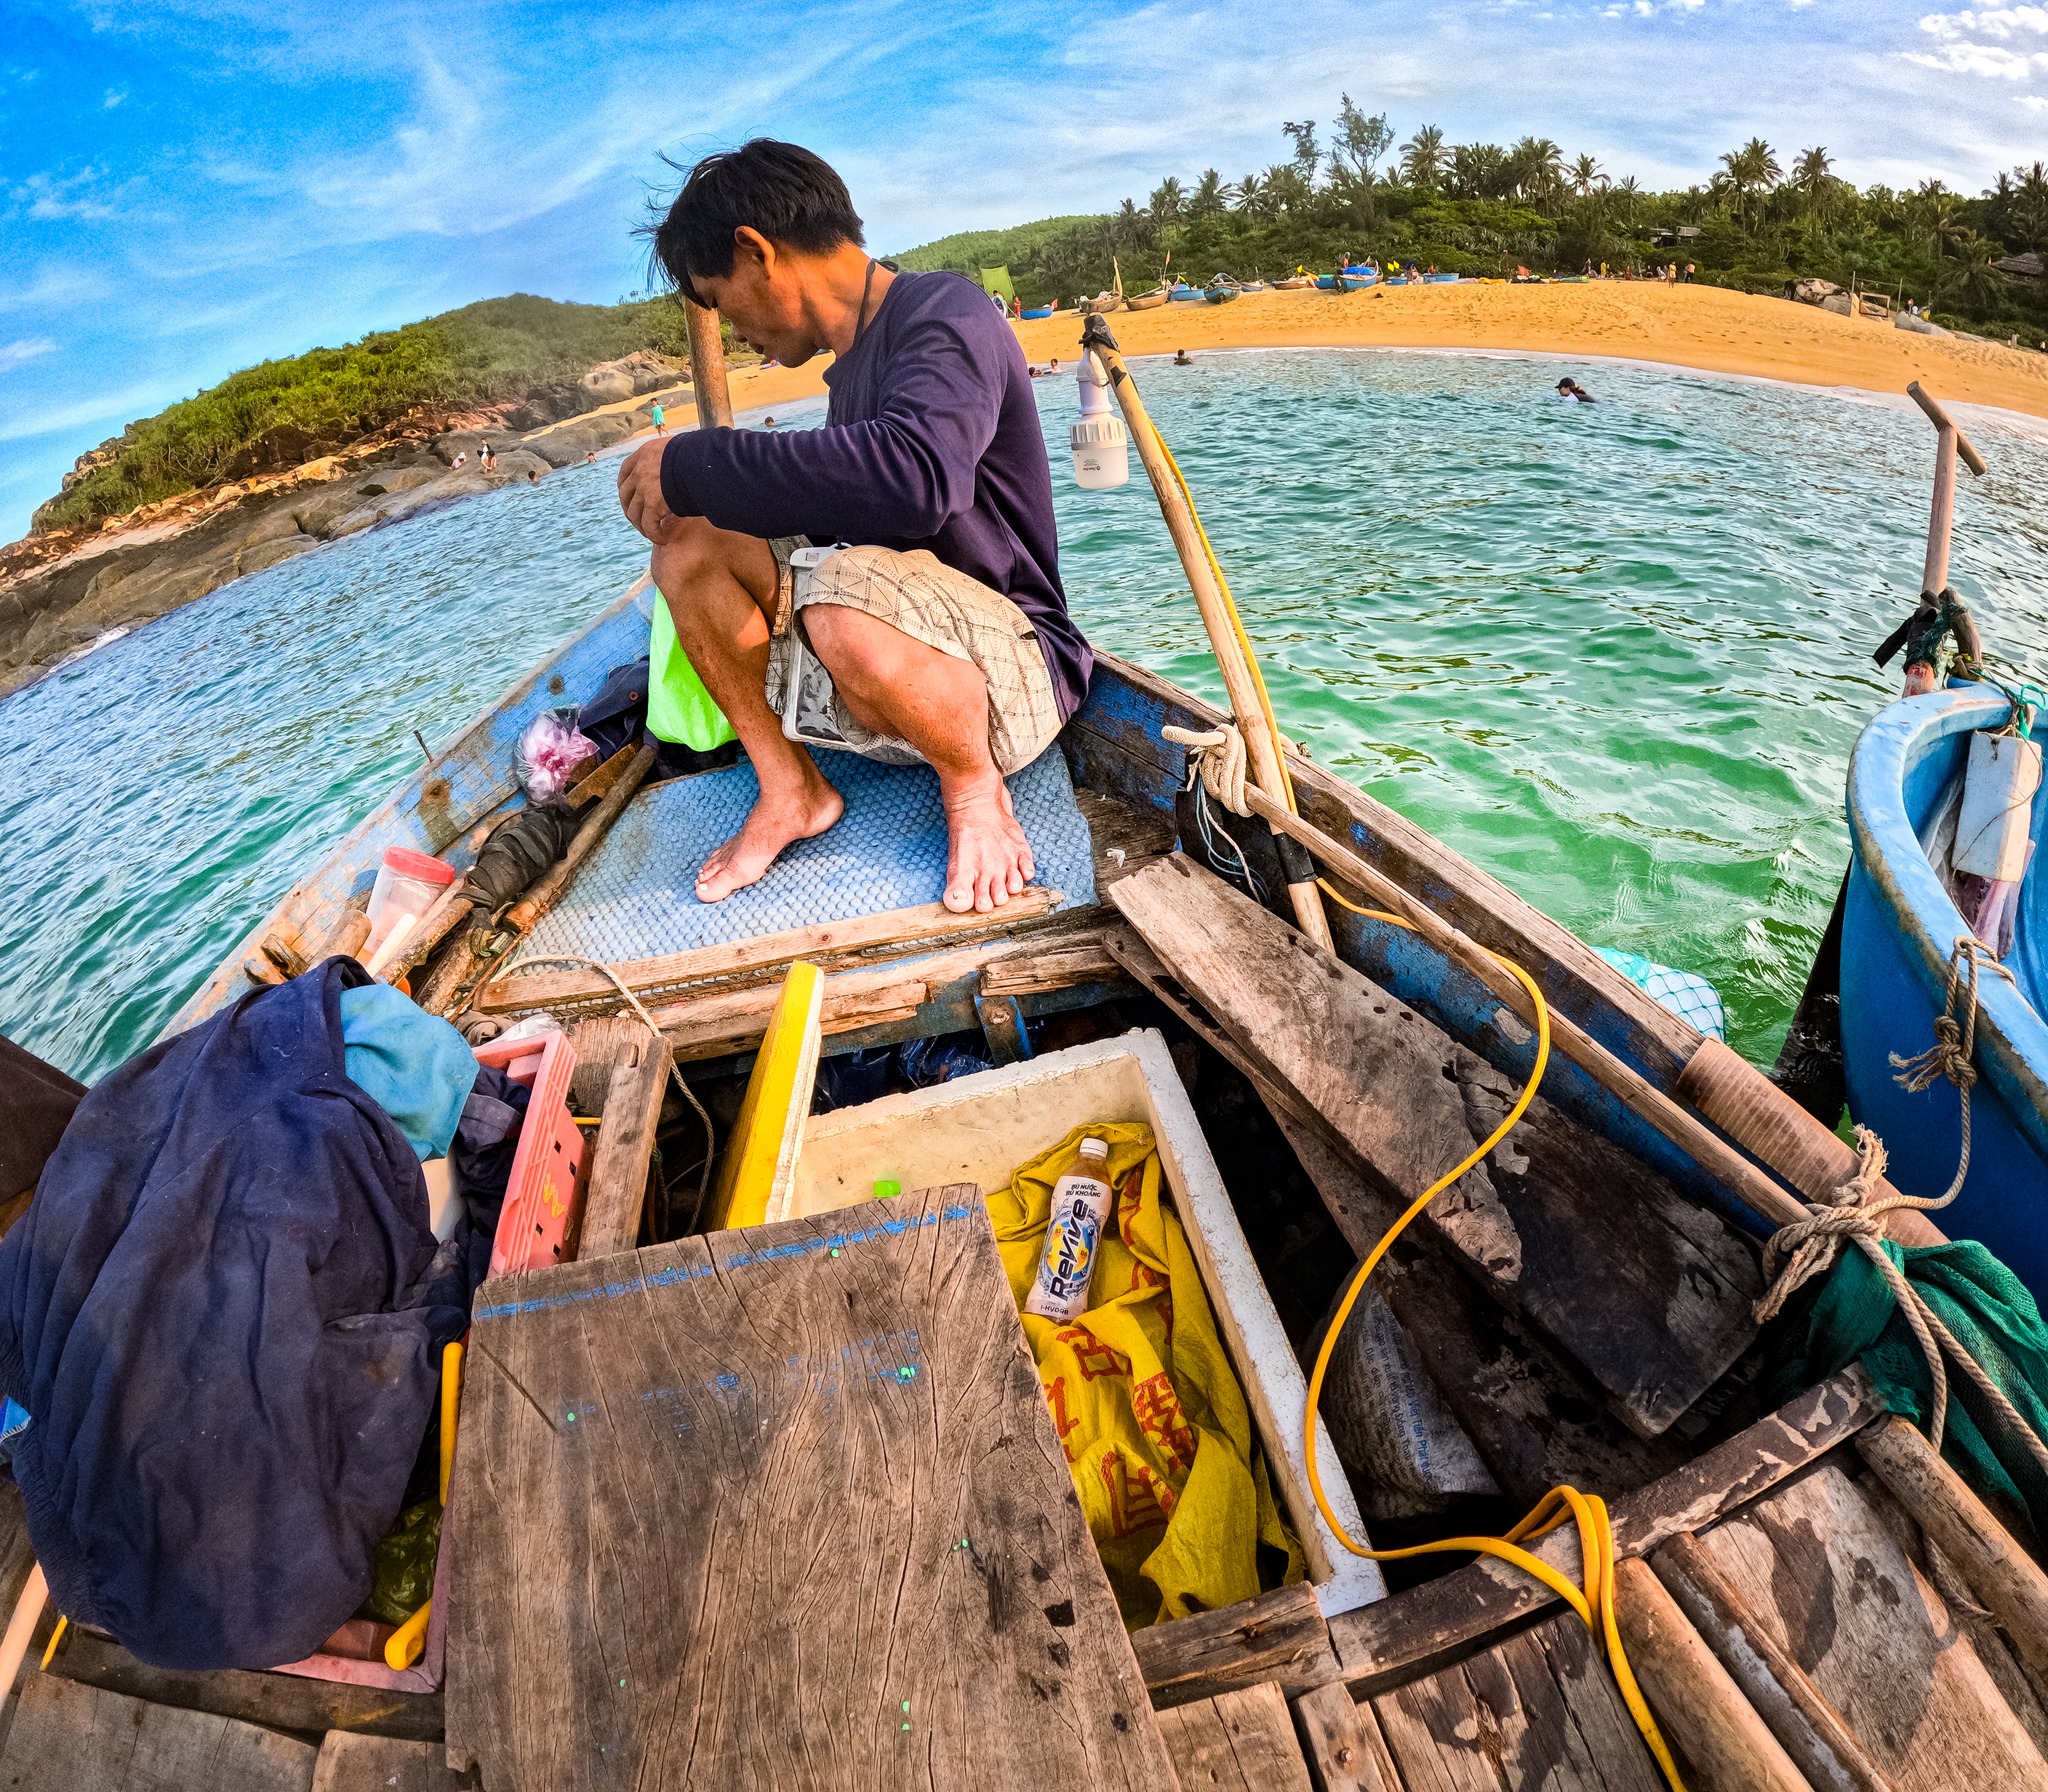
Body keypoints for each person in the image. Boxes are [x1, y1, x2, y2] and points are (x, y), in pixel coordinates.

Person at [616, 139, 1088, 914]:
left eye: (718, 297)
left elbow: (917, 477)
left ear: (756, 251)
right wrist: (690, 496)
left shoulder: (945, 313)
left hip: (1012, 678)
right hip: (890, 680)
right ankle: (790, 788)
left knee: (834, 598)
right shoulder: (851, 379)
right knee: (691, 543)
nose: (731, 328)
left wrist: (697, 460)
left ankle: (974, 792)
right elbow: (837, 507)